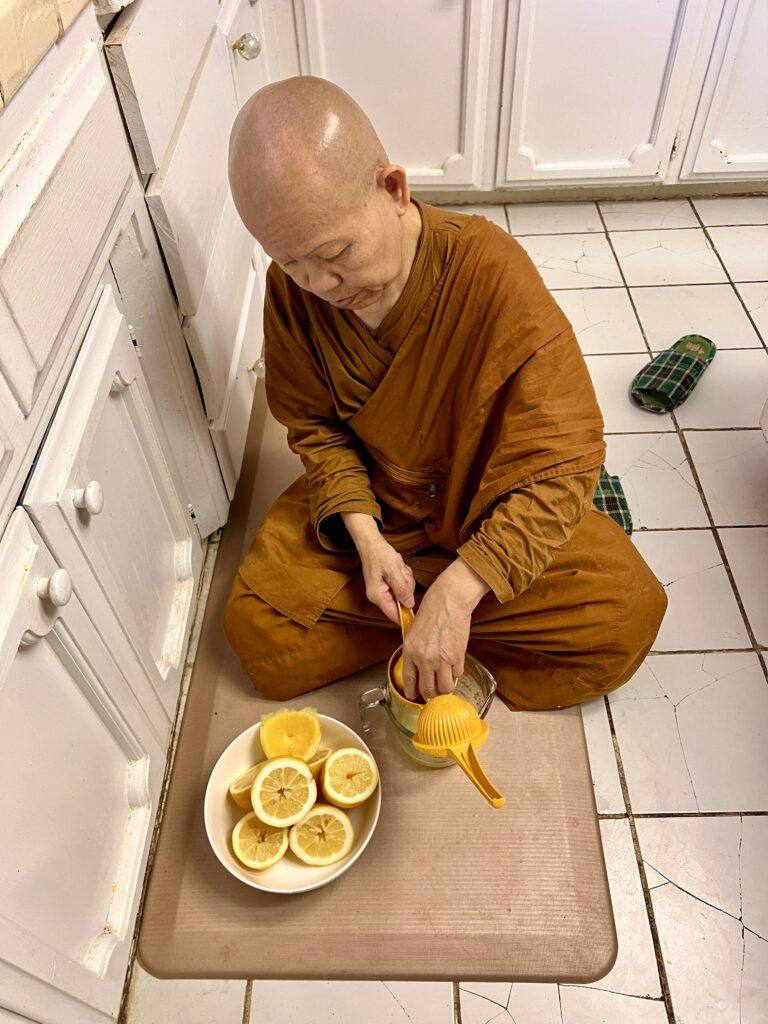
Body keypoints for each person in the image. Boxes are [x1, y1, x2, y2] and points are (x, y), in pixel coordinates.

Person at [223, 75, 666, 710]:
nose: (321, 283)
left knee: (625, 612)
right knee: (255, 635)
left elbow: (563, 464)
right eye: (292, 262)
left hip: (487, 506)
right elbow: (317, 431)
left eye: (336, 252)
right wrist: (367, 537)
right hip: (382, 517)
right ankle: (424, 623)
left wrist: (460, 590)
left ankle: (434, 620)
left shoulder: (492, 272)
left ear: (393, 189)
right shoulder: (292, 292)